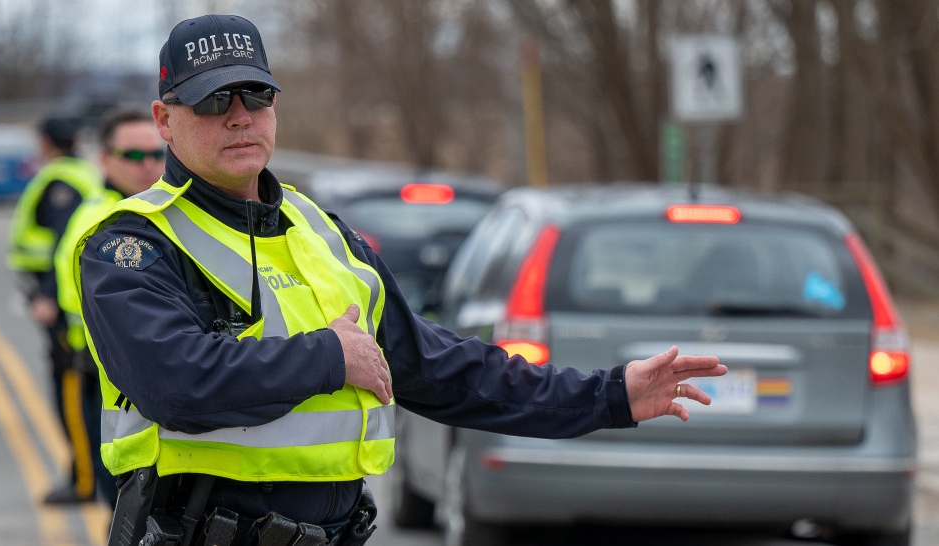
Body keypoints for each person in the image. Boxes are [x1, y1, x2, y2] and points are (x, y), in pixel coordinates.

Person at [74, 14, 727, 546]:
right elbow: (178, 383)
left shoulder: (320, 229)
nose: (240, 115)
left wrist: (609, 396)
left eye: (257, 94)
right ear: (164, 120)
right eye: (213, 100)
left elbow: (440, 368)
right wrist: (330, 357)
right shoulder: (131, 246)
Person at [54, 106, 166, 509]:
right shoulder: (98, 221)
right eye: (134, 156)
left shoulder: (170, 211)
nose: (148, 165)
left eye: (157, 154)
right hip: (105, 379)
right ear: (104, 158)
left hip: (163, 384)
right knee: (120, 502)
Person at [6, 115, 102, 504]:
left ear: (46, 142)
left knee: (73, 395)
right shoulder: (83, 174)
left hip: (63, 308)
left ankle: (83, 479)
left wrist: (45, 294)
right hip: (69, 303)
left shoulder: (61, 183)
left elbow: (67, 241)